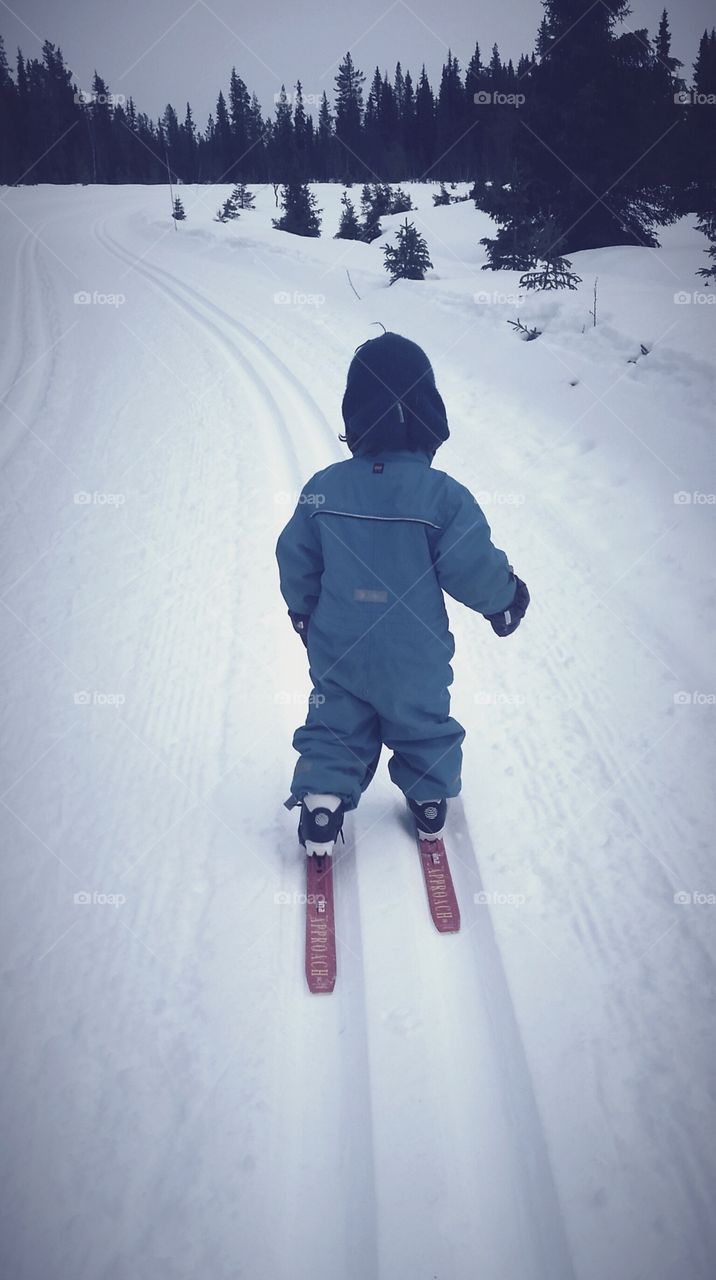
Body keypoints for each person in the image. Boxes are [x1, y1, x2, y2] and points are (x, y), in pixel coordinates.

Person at [276, 331, 529, 856]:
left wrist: (303, 611)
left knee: (334, 716)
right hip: (415, 651)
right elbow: (471, 564)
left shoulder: (324, 487)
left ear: (355, 415)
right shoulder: (442, 497)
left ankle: (323, 799)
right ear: (428, 415)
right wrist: (503, 599)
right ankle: (429, 799)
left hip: (338, 642)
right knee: (422, 721)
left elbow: (296, 556)